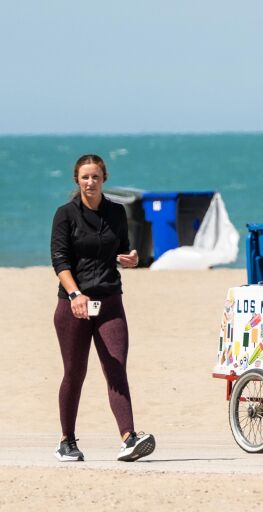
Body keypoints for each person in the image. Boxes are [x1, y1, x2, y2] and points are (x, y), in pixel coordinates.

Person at [51, 154, 156, 462]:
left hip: (110, 301)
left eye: (96, 176)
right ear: (77, 180)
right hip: (74, 307)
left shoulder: (116, 212)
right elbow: (60, 261)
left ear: (104, 179)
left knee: (116, 366)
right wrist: (75, 295)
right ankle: (66, 441)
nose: (90, 182)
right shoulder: (65, 215)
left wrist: (131, 259)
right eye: (85, 177)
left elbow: (123, 250)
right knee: (75, 372)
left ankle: (129, 438)